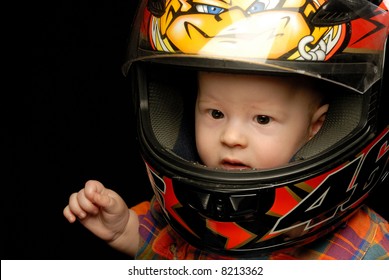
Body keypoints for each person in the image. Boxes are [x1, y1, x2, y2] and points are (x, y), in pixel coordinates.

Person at [64, 0, 389, 259]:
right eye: (216, 113)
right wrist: (127, 232)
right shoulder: (179, 217)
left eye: (262, 119)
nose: (231, 137)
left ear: (317, 129)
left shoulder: (368, 252)